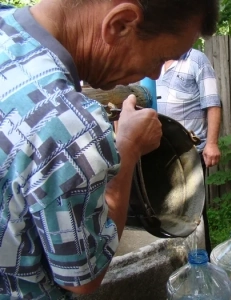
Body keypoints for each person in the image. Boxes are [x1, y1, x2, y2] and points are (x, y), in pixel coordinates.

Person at [0, 0, 219, 298]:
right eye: (160, 58)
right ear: (121, 24)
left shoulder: (6, 24)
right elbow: (81, 278)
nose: (155, 75)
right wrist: (127, 149)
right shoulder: (68, 124)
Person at [156, 48, 222, 254]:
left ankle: (202, 260)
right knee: (164, 210)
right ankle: (174, 260)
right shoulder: (152, 60)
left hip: (189, 153)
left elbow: (213, 104)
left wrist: (211, 143)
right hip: (157, 153)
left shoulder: (197, 59)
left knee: (193, 214)